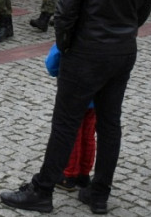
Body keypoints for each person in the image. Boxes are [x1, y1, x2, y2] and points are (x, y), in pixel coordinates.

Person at [0, 0, 151, 215]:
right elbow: (143, 11)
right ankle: (99, 193)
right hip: (122, 51)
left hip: (85, 51)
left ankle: (42, 190)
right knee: (110, 123)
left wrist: (66, 45)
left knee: (66, 122)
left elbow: (66, 8)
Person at [45, 42, 97, 192]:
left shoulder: (73, 32)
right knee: (88, 135)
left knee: (72, 134)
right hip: (95, 95)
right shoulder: (104, 34)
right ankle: (84, 173)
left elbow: (52, 63)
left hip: (73, 93)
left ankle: (69, 175)